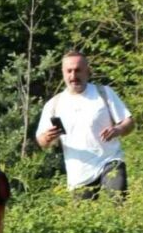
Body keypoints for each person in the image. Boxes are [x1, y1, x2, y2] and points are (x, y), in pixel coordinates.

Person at [35, 51, 135, 198]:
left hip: (110, 161)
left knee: (118, 203)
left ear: (88, 72)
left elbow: (129, 122)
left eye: (78, 70)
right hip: (79, 173)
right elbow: (41, 141)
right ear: (63, 73)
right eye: (69, 71)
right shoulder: (54, 104)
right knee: (83, 218)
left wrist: (118, 129)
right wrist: (47, 137)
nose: (73, 76)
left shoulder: (104, 93)